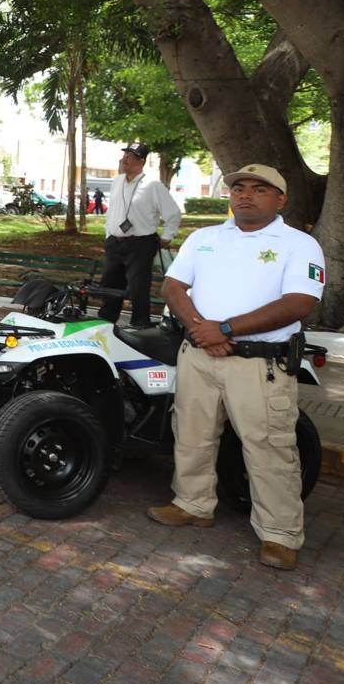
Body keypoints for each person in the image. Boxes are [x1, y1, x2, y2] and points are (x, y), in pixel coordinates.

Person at [148, 165, 325, 571]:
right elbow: (173, 287)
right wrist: (202, 330)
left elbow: (299, 303)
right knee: (191, 434)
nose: (245, 195)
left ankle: (279, 533)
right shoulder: (205, 238)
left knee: (269, 446)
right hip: (199, 355)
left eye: (259, 189)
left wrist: (225, 329)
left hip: (258, 363)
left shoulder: (299, 245)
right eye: (238, 188)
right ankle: (193, 503)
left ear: (280, 199)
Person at [98, 142, 181, 327]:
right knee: (110, 282)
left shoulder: (152, 185)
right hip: (115, 242)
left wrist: (167, 236)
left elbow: (173, 213)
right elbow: (113, 211)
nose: (123, 160)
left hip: (141, 243)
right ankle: (106, 321)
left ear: (141, 162)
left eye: (129, 157)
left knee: (138, 286)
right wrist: (108, 234)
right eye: (123, 156)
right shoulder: (117, 181)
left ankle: (140, 323)